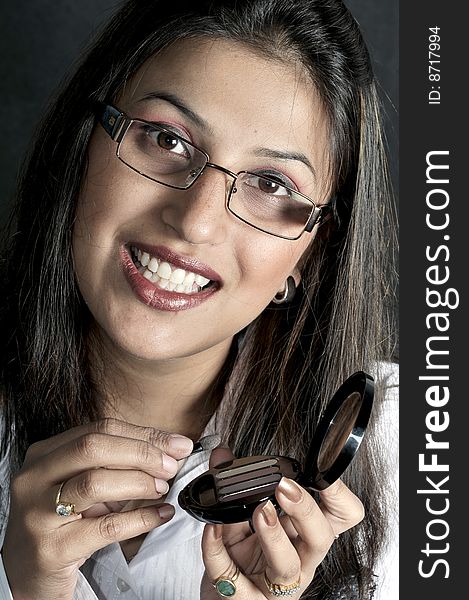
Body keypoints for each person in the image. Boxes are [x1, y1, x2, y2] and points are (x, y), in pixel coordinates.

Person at [0, 0, 398, 598]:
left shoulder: (411, 450)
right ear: (82, 149)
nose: (196, 222)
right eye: (166, 138)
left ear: (308, 260)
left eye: (272, 184)